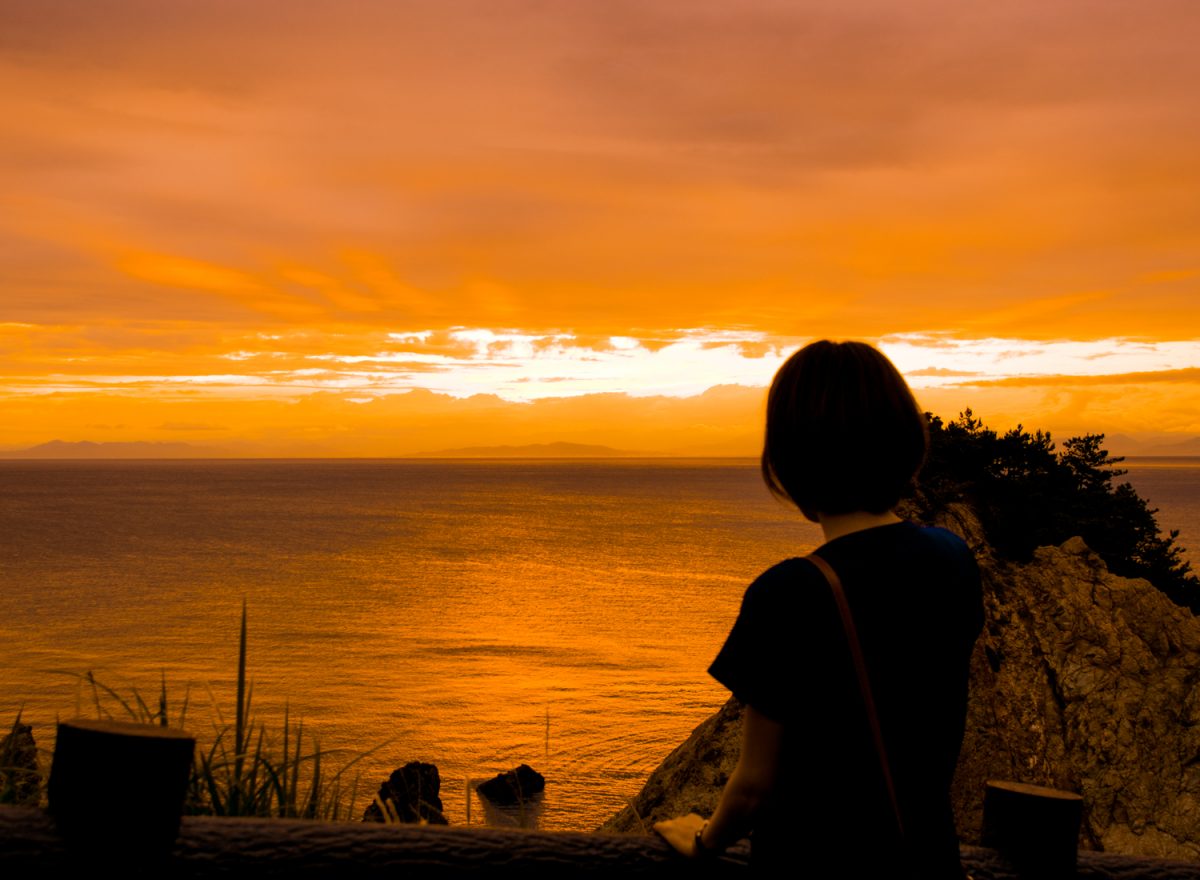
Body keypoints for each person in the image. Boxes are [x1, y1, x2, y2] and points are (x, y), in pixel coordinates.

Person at [654, 339, 984, 876]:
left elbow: (755, 785)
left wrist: (705, 841)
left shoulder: (790, 592)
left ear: (790, 463)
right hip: (927, 867)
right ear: (904, 442)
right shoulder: (952, 556)